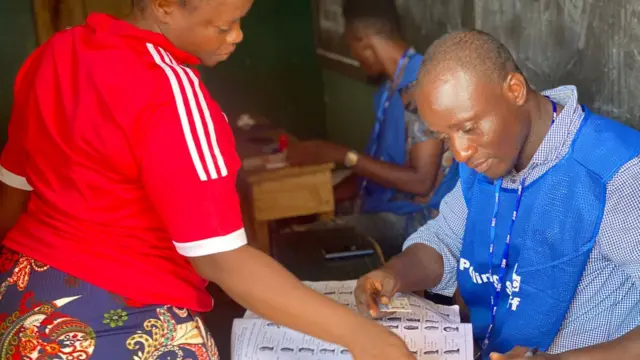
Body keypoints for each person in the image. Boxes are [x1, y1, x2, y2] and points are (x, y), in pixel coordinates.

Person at [0, 0, 415, 359]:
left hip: (23, 299)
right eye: (223, 25)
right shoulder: (171, 92)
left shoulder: (60, 50)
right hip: (120, 313)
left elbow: (14, 190)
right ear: (164, 6)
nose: (236, 36)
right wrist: (362, 336)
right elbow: (221, 259)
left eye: (240, 20)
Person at [354, 30, 640, 360]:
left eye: (469, 127)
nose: (460, 152)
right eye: (446, 137)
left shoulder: (617, 174)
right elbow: (445, 240)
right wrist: (393, 274)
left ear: (515, 90)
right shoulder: (489, 158)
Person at [287, 0, 458, 257]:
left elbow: (421, 182)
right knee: (295, 230)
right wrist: (320, 197)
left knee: (304, 247)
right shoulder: (388, 90)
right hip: (383, 208)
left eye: (351, 48)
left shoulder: (421, 86)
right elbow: (376, 171)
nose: (355, 58)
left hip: (417, 223)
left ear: (363, 42)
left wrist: (343, 155)